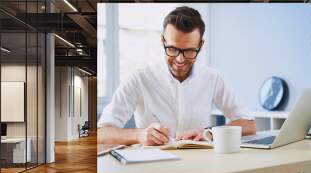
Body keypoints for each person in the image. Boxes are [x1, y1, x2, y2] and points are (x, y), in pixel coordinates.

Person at [98, 6, 256, 146]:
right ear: (162, 41)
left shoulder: (212, 78)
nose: (180, 60)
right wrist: (138, 135)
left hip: (199, 168)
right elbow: (101, 133)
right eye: (172, 49)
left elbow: (249, 124)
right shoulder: (139, 79)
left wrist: (210, 132)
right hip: (152, 168)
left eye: (189, 51)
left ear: (200, 46)